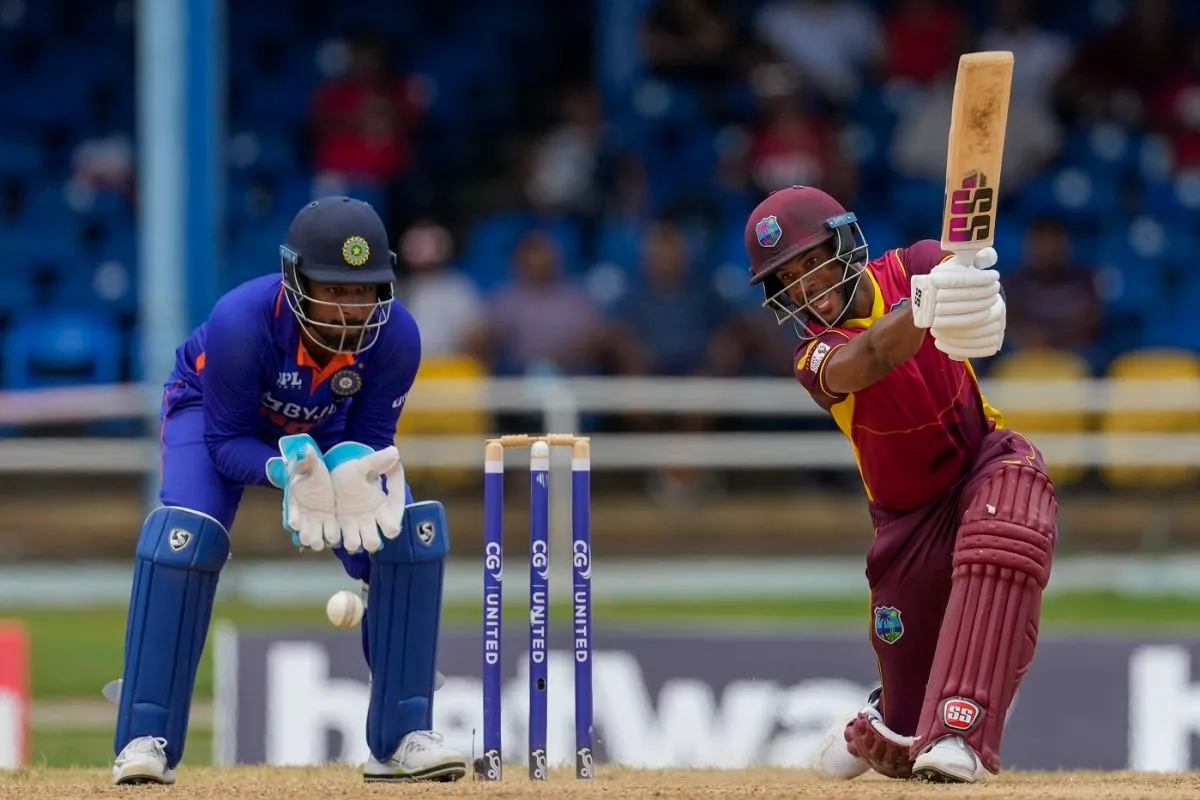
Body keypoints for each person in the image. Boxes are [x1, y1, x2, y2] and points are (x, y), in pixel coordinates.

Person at [110, 197, 467, 785]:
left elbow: (370, 439)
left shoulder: (396, 336)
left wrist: (348, 474)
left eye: (365, 290)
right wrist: (287, 473)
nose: (351, 308)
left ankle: (402, 738)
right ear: (296, 277)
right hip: (212, 413)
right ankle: (144, 739)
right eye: (334, 288)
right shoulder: (239, 320)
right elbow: (226, 444)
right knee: (184, 539)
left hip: (323, 427)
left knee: (402, 537)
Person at [744, 186, 1056, 783]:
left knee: (1008, 529)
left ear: (844, 243)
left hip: (983, 460)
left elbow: (951, 264)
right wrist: (928, 305)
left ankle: (963, 734)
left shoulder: (909, 265)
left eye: (813, 261)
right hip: (906, 523)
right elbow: (871, 357)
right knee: (906, 727)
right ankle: (887, 715)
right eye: (790, 277)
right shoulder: (814, 354)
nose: (808, 285)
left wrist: (974, 289)